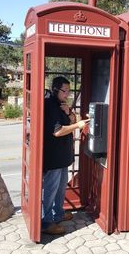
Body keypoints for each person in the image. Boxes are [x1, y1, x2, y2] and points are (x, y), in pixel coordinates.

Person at [41, 76, 90, 235]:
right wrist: (79, 125)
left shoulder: (60, 104)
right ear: (56, 89)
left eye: (69, 90)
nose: (68, 94)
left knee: (61, 188)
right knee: (51, 189)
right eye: (65, 91)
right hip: (53, 156)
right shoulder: (50, 105)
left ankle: (58, 214)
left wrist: (69, 112)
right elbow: (58, 131)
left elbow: (71, 121)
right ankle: (46, 222)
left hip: (63, 156)